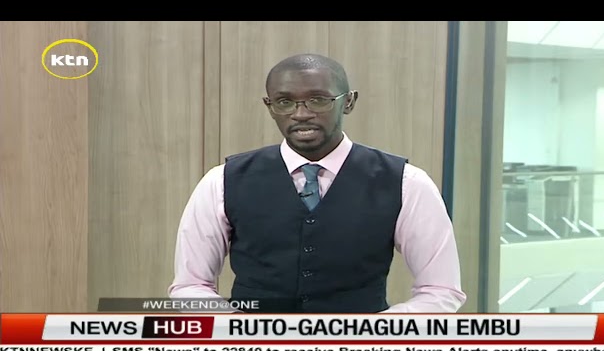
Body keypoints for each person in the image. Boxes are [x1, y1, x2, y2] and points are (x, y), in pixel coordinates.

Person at [168, 53, 466, 313]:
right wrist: (239, 328)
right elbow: (190, 286)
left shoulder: (406, 182)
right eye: (285, 102)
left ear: (348, 102)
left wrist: (372, 332)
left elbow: (441, 291)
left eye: (318, 99)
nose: (301, 113)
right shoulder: (221, 181)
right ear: (270, 106)